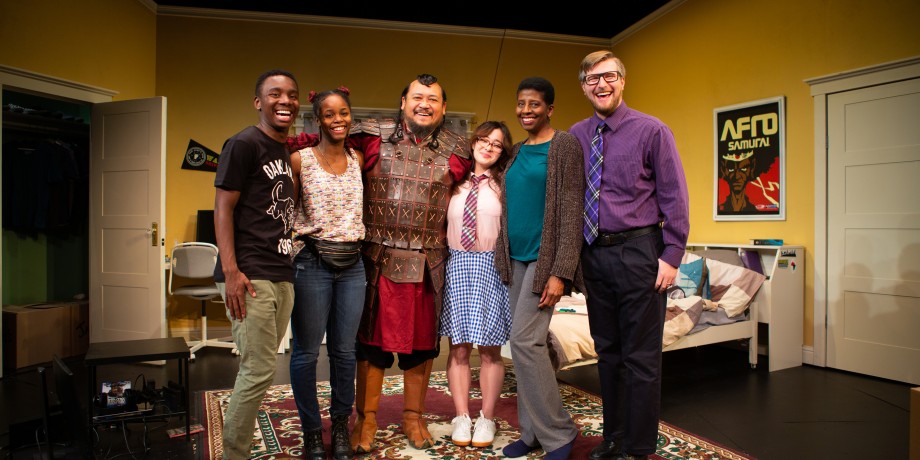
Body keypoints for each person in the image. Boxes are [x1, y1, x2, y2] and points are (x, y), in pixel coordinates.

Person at [570, 51, 689, 460]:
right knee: (608, 353)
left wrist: (672, 255)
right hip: (594, 256)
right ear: (583, 86)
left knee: (640, 357)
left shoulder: (652, 131)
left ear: (622, 80)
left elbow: (675, 195)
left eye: (608, 76)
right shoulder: (576, 136)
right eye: (591, 79)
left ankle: (638, 448)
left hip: (640, 251)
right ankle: (613, 438)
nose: (600, 85)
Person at [347, 74, 471, 453]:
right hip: (377, 259)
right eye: (418, 97)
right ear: (402, 102)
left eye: (433, 99)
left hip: (428, 262)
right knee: (370, 346)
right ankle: (365, 420)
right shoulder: (369, 136)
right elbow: (324, 148)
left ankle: (413, 418)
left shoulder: (460, 150)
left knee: (421, 346)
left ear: (444, 108)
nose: (425, 104)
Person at [496, 77, 584, 460]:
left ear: (550, 108)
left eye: (534, 104)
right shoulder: (515, 151)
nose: (526, 111)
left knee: (524, 341)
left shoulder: (564, 145)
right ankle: (531, 432)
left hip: (543, 260)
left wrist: (560, 271)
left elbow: (571, 210)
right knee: (525, 345)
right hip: (515, 259)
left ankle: (559, 432)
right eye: (521, 104)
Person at [213, 69, 300, 460]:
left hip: (281, 272)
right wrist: (231, 272)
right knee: (258, 369)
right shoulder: (244, 143)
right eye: (275, 94)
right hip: (250, 275)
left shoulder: (283, 149)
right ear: (258, 102)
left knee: (259, 368)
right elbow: (223, 208)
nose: (285, 101)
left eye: (291, 95)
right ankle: (235, 454)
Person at [289, 87, 365, 460]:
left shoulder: (359, 158)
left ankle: (339, 426)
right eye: (330, 114)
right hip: (312, 263)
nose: (338, 120)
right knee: (305, 353)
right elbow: (283, 214)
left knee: (344, 352)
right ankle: (310, 431)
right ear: (317, 119)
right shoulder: (300, 160)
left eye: (344, 113)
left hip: (353, 265)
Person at [439, 121, 513, 448]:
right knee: (458, 348)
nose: (488, 147)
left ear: (503, 152)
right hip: (456, 264)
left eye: (496, 144)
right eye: (484, 140)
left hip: (490, 265)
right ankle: (461, 416)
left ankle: (486, 418)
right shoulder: (453, 182)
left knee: (489, 349)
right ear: (473, 143)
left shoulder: (505, 185)